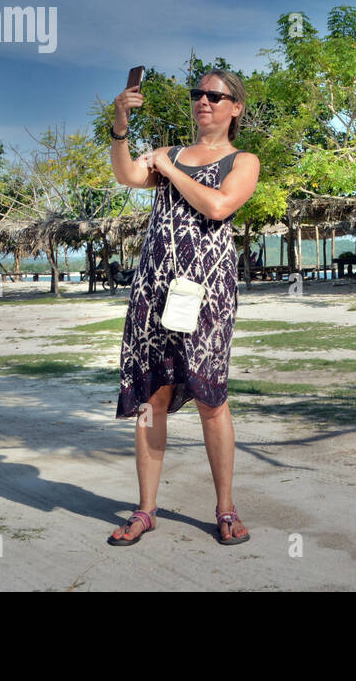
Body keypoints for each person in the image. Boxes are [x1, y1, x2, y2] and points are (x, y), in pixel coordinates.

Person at [105, 69, 260, 546]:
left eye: (216, 96)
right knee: (153, 400)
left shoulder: (243, 160)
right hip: (154, 289)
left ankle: (226, 509)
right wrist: (120, 125)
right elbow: (128, 174)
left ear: (235, 108)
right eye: (199, 94)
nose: (204, 101)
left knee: (211, 400)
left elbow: (218, 207)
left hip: (207, 293)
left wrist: (171, 171)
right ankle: (145, 509)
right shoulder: (168, 152)